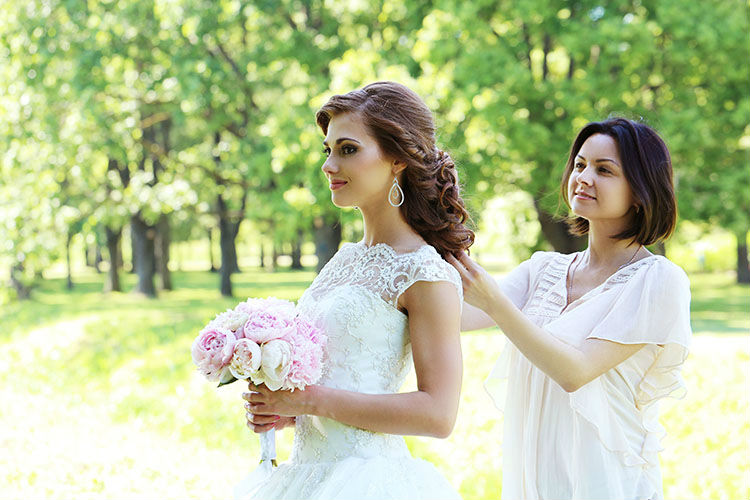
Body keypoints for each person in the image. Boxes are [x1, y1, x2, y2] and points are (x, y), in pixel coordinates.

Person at [237, 81, 474, 500]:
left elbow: (438, 414)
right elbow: (341, 378)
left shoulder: (424, 272)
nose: (329, 165)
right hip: (306, 474)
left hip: (368, 481)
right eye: (327, 150)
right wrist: (287, 411)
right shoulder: (346, 258)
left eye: (347, 149)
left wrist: (309, 401)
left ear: (397, 159)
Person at [446, 118, 691, 500]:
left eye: (604, 170)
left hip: (607, 481)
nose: (584, 177)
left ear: (641, 191)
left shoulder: (658, 281)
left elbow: (575, 371)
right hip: (538, 476)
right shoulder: (543, 269)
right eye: (579, 165)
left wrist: (495, 302)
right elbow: (456, 315)